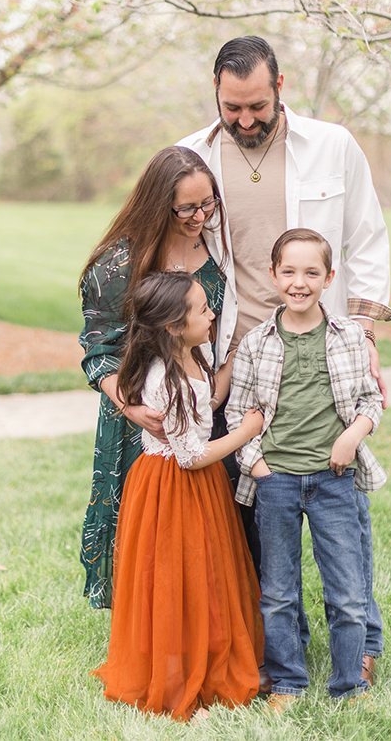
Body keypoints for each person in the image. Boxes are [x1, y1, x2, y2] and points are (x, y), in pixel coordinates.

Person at [176, 36, 391, 683]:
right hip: (236, 359)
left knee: (340, 506)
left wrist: (362, 333)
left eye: (257, 106)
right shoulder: (191, 154)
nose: (245, 120)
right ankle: (275, 651)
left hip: (324, 349)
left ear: (281, 85)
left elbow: (367, 234)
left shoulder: (333, 145)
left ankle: (364, 641)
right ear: (215, 91)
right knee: (256, 507)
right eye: (231, 107)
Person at [91, 271, 265, 721]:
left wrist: (229, 364)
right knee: (175, 576)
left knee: (203, 573)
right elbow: (191, 454)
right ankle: (178, 675)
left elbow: (203, 407)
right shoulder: (164, 378)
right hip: (173, 487)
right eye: (204, 309)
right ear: (173, 325)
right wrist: (246, 430)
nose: (212, 314)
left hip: (195, 486)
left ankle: (197, 655)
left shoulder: (190, 356)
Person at [226, 229, 387, 708]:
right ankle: (289, 681)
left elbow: (370, 398)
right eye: (289, 272)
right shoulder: (256, 344)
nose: (300, 282)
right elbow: (238, 414)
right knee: (277, 591)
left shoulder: (348, 336)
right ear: (274, 276)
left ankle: (348, 683)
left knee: (347, 591)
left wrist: (351, 436)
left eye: (312, 272)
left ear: (329, 278)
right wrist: (256, 467)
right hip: (275, 483)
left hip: (333, 480)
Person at [78, 146, 229, 609]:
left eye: (208, 203)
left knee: (201, 527)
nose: (199, 216)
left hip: (204, 401)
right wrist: (133, 409)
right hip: (139, 413)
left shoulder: (218, 247)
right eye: (186, 207)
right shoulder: (118, 262)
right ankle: (142, 623)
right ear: (157, 202)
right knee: (144, 525)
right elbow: (97, 351)